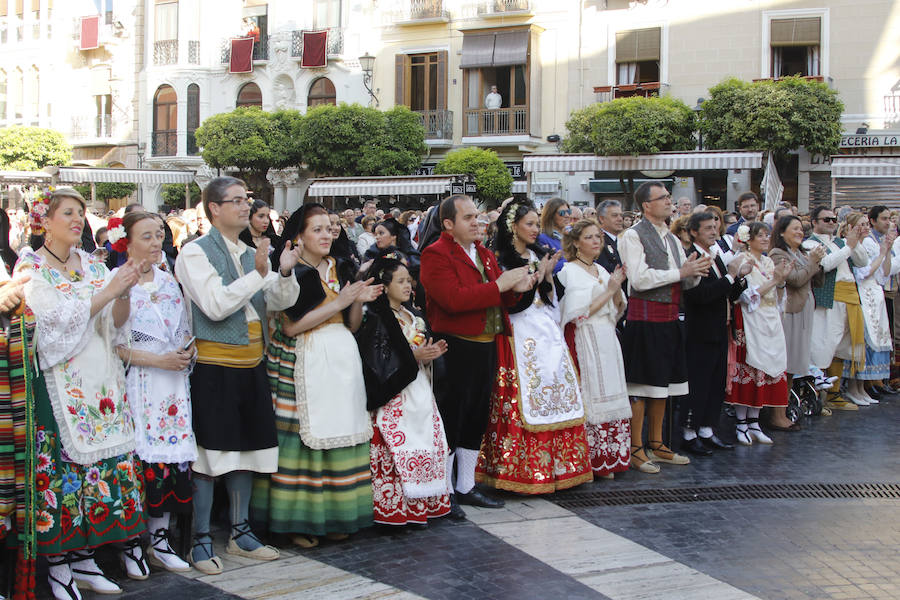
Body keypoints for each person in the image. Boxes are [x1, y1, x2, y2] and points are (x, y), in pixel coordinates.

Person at [16, 188, 147, 599]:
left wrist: (123, 289)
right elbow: (50, 326)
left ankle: (86, 556)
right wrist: (108, 291)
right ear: (45, 221)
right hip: (62, 382)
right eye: (69, 212)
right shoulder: (31, 266)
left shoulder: (92, 263)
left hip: (102, 379)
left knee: (103, 466)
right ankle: (58, 563)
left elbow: (118, 320)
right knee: (64, 470)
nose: (78, 219)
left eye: (81, 213)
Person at [174, 177, 301, 575]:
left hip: (251, 362)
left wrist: (281, 273)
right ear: (213, 208)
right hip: (214, 365)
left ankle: (240, 532)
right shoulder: (194, 253)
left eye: (247, 200)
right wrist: (259, 272)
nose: (245, 207)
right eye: (236, 201)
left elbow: (278, 303)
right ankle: (199, 539)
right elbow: (214, 305)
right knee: (211, 452)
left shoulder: (250, 251)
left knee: (248, 449)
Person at [251, 204, 380, 547]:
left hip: (341, 362)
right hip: (303, 361)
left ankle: (337, 517)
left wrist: (356, 300)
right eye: (318, 229)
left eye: (330, 228)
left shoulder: (341, 267)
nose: (327, 234)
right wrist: (342, 301)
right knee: (304, 443)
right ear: (299, 237)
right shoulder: (296, 273)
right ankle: (298, 522)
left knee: (342, 434)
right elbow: (292, 327)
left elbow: (351, 325)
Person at [419, 195, 533, 516]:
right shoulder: (435, 254)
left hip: (486, 343)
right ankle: (444, 490)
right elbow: (452, 300)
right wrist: (501, 285)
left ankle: (466, 485)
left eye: (477, 216)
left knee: (476, 415)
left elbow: (502, 300)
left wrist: (519, 288)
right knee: (451, 417)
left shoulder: (483, 253)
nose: (476, 222)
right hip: (455, 344)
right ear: (448, 225)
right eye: (468, 217)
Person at [477, 202, 592, 494]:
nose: (534, 230)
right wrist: (534, 278)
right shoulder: (499, 259)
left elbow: (552, 299)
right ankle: (520, 470)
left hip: (547, 332)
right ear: (513, 226)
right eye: (529, 224)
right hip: (519, 334)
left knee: (557, 391)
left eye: (536, 225)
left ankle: (560, 466)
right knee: (524, 397)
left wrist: (548, 277)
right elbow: (507, 302)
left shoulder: (539, 254)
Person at [113, 211, 196, 575]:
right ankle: (132, 544)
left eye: (158, 233)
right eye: (146, 235)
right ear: (127, 242)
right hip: (138, 384)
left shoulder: (168, 281)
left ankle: (159, 540)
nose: (155, 241)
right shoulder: (116, 282)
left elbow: (182, 329)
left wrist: (186, 352)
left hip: (174, 388)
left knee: (168, 464)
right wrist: (157, 360)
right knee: (139, 464)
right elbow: (115, 342)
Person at [619, 182, 709, 473]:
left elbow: (682, 279)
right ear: (646, 205)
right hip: (645, 321)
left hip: (669, 319)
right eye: (663, 198)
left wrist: (694, 272)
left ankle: (656, 444)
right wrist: (681, 272)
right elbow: (640, 279)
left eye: (669, 197)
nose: (670, 202)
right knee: (642, 385)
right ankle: (636, 447)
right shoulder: (632, 235)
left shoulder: (670, 238)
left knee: (663, 385)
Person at [356, 254, 451, 526]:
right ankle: (392, 507)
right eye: (400, 281)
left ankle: (421, 505)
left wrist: (428, 357)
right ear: (384, 287)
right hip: (394, 394)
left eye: (409, 281)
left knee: (425, 441)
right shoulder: (374, 317)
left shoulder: (414, 315)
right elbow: (376, 358)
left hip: (420, 389)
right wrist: (414, 357)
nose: (408, 286)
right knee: (394, 447)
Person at [558, 220, 632, 477]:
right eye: (589, 237)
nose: (596, 241)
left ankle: (614, 456)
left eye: (598, 237)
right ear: (576, 242)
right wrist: (610, 289)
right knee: (592, 394)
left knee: (613, 390)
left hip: (607, 336)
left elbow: (618, 307)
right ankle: (593, 460)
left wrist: (616, 290)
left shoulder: (600, 268)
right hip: (586, 337)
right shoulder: (569, 272)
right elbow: (578, 313)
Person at [680, 212, 750, 456]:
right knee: (698, 383)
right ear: (693, 232)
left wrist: (739, 278)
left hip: (720, 327)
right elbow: (700, 295)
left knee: (715, 383)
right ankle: (689, 432)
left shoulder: (716, 256)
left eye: (715, 226)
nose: (713, 231)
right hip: (700, 330)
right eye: (707, 228)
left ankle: (707, 429)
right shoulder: (694, 258)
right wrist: (731, 275)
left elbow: (727, 293)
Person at [726, 222, 791, 445]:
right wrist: (775, 280)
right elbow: (746, 294)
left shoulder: (766, 261)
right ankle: (741, 422)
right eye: (760, 235)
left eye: (767, 235)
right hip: (750, 318)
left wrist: (779, 282)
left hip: (769, 317)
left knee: (764, 369)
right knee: (750, 366)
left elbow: (773, 291)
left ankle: (754, 421)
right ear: (748, 239)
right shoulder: (742, 260)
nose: (765, 239)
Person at [804, 206, 869, 411]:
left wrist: (854, 241)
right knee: (823, 346)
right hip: (829, 300)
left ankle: (834, 394)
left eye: (834, 220)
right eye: (826, 220)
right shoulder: (810, 243)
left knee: (841, 347)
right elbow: (826, 264)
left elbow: (862, 261)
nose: (832, 223)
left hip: (848, 299)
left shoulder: (840, 242)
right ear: (814, 222)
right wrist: (848, 247)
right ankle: (816, 397)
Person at [769, 216, 825, 427]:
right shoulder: (778, 253)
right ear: (782, 232)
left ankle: (782, 411)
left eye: (801, 229)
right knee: (785, 364)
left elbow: (816, 280)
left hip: (804, 311)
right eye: (795, 229)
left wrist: (817, 261)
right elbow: (796, 279)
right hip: (789, 312)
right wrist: (811, 263)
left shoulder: (800, 252)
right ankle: (776, 415)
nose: (800, 232)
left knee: (793, 365)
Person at [838, 211, 895, 404]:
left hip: (874, 293)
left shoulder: (868, 244)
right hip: (860, 293)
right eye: (861, 224)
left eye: (866, 225)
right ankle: (853, 388)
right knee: (860, 341)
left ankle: (862, 387)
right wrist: (882, 253)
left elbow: (883, 274)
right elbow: (864, 272)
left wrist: (886, 251)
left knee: (871, 341)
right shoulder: (851, 245)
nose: (865, 228)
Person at [859, 205, 900, 398]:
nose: (888, 222)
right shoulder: (868, 242)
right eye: (884, 218)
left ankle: (876, 379)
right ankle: (866, 381)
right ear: (872, 220)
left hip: (878, 291)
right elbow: (868, 270)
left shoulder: (882, 240)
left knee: (881, 335)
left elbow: (886, 271)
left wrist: (887, 250)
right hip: (866, 291)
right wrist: (884, 252)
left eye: (889, 218)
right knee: (869, 338)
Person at [537, 197, 571, 274]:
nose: (567, 215)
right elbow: (547, 269)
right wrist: (572, 259)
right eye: (562, 213)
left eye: (568, 211)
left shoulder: (573, 236)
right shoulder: (542, 239)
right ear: (551, 216)